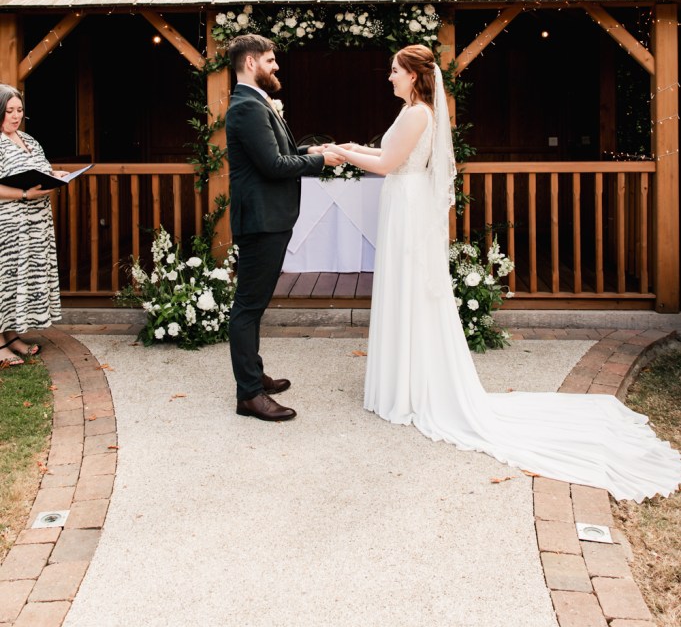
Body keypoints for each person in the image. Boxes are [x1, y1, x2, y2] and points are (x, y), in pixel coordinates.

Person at [327, 45, 681, 502]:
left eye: (394, 71)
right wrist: (350, 147)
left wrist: (343, 154)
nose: (389, 77)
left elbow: (386, 164)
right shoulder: (414, 110)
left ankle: (410, 388)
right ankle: (405, 381)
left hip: (407, 205)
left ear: (413, 76)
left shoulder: (416, 114)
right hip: (404, 201)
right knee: (405, 290)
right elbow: (384, 153)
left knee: (409, 289)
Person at [225, 34, 341, 422]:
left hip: (271, 218)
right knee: (248, 307)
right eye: (270, 60)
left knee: (255, 304)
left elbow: (281, 154)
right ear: (251, 62)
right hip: (260, 221)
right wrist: (321, 163)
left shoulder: (257, 101)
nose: (276, 66)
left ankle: (254, 375)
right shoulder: (246, 106)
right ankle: (249, 395)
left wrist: (312, 151)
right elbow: (273, 167)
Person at [0, 84, 65, 369]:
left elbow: (39, 169)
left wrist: (55, 174)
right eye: (9, 111)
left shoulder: (28, 139)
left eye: (19, 110)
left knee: (20, 280)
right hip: (8, 227)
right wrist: (25, 194)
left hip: (35, 226)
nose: (16, 116)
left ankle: (11, 336)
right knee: (4, 281)